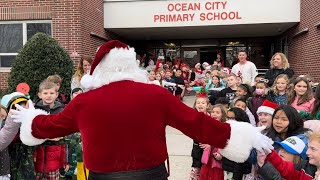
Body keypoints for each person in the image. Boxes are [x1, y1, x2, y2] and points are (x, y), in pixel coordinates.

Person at [11, 40, 273, 179]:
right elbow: (197, 124)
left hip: (104, 177)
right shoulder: (156, 95)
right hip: (151, 175)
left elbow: (50, 126)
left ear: (99, 71)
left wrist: (29, 118)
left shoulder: (85, 101)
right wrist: (239, 137)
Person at [33, 80, 68, 179]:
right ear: (40, 95)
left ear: (56, 94)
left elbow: (65, 139)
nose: (49, 95)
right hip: (38, 157)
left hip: (54, 157)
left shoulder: (61, 112)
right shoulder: (35, 111)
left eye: (51, 93)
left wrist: (64, 160)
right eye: (45, 93)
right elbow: (32, 132)